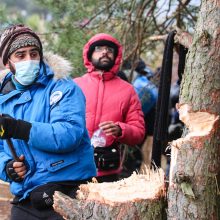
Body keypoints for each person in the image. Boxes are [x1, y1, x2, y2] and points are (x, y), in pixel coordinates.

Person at [0, 24, 96, 220]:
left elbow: (68, 134)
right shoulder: (2, 97)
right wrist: (8, 168)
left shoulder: (62, 86)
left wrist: (19, 129)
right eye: (20, 55)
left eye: (34, 53)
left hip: (69, 189)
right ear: (7, 62)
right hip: (26, 195)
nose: (29, 60)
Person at [74, 33, 145, 182]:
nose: (105, 52)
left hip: (107, 171)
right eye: (99, 48)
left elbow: (138, 132)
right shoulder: (74, 86)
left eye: (110, 50)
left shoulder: (127, 90)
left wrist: (120, 129)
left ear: (116, 56)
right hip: (72, 167)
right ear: (89, 54)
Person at [132, 59, 158, 170]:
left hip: (139, 121)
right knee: (140, 147)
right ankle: (137, 165)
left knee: (137, 148)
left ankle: (136, 166)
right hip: (146, 121)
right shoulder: (148, 82)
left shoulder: (137, 82)